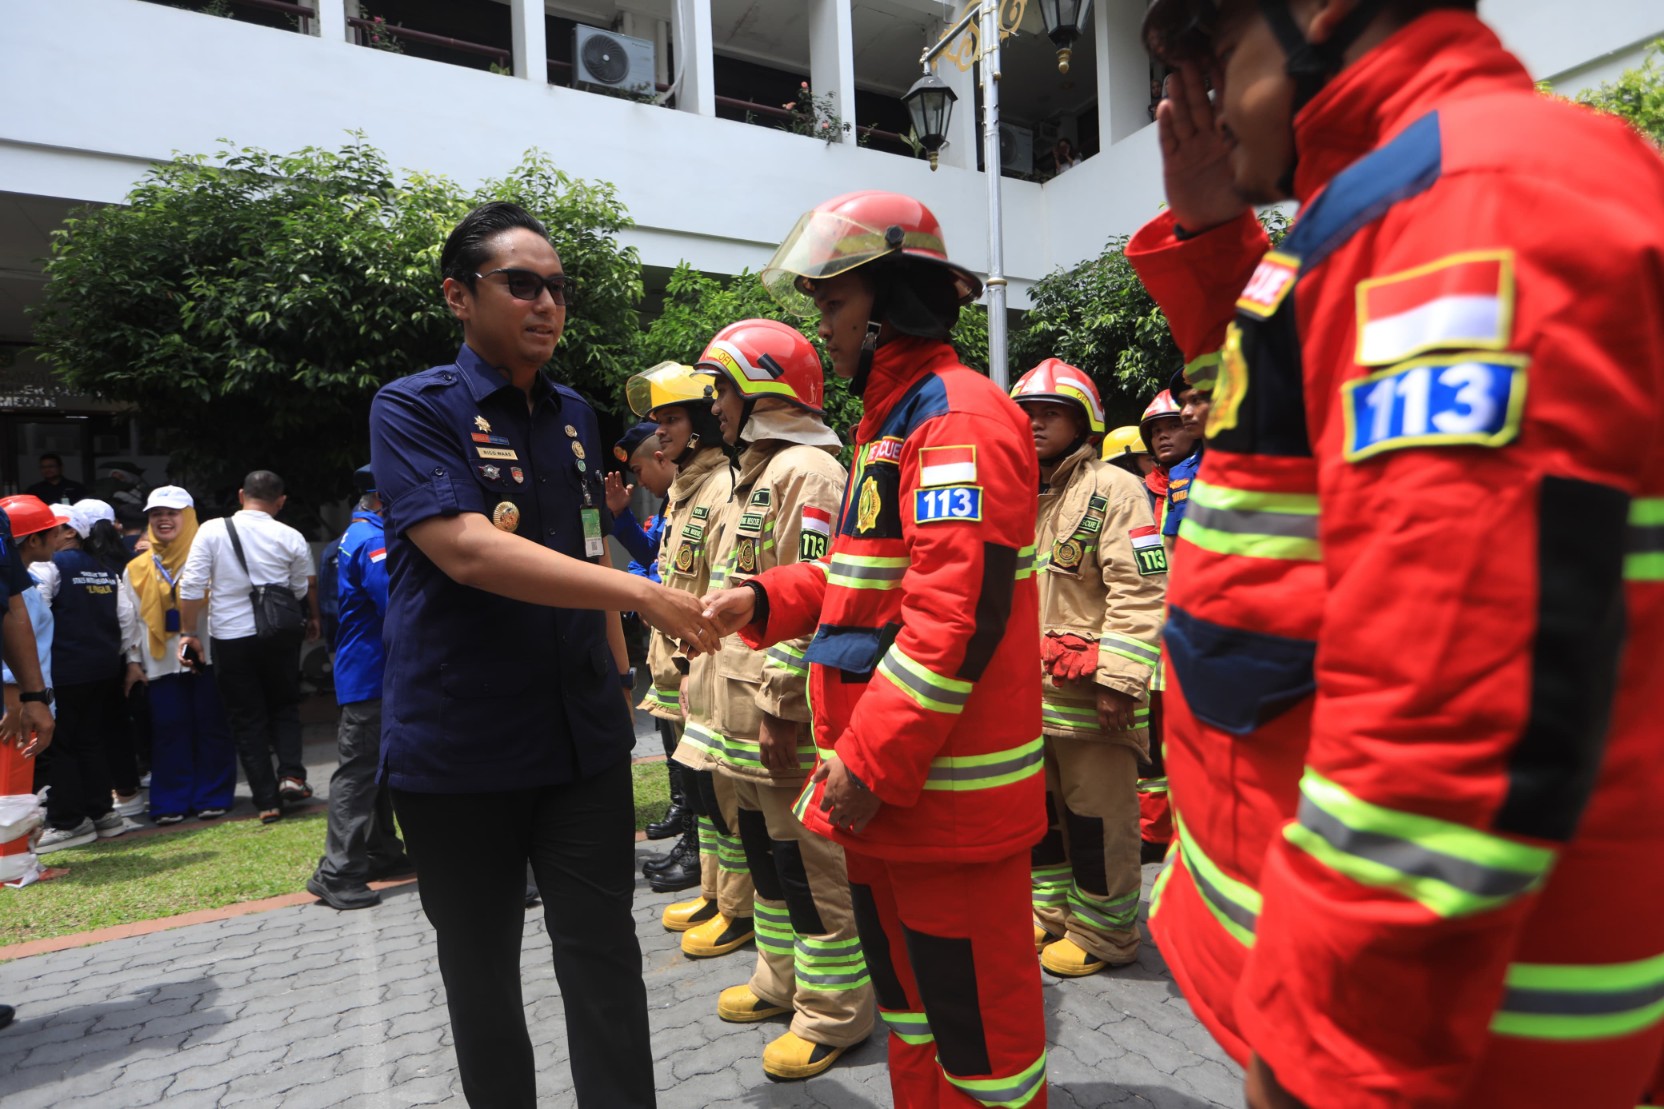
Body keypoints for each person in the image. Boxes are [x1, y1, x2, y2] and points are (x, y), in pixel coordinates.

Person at [1131, 2, 1664, 1107]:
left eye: (1212, 56)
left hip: (1444, 1040)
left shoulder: (1468, 200)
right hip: (1387, 1007)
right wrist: (1211, 236)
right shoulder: (1383, 207)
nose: (1201, 104)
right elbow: (1284, 431)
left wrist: (1330, 1049)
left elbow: (1455, 699)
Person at [704, 190, 1049, 1109]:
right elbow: (863, 583)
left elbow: (953, 620)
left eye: (833, 305)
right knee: (910, 1019)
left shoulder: (958, 420)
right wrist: (763, 596)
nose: (822, 328)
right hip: (890, 799)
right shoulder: (890, 424)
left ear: (891, 301)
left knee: (986, 1051)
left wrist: (864, 760)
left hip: (940, 804)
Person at [369, 201, 715, 1109]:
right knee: (481, 975)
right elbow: (468, 550)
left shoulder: (573, 415)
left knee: (604, 955)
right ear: (459, 295)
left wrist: (618, 665)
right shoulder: (413, 409)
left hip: (580, 742)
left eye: (557, 287)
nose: (546, 303)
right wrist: (643, 598)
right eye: (520, 283)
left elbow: (591, 542)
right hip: (460, 749)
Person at [688, 319, 871, 1079]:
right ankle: (781, 979)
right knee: (768, 859)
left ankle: (835, 1013)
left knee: (811, 866)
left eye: (724, 388)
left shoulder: (810, 472)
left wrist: (782, 706)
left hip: (777, 712)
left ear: (764, 387)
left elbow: (816, 600)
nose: (715, 406)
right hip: (736, 708)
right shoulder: (755, 470)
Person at [1011, 360, 1168, 979]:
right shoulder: (1021, 490)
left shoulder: (1118, 489)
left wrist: (1119, 682)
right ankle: (1051, 911)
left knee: (1099, 819)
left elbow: (1145, 587)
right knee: (1042, 813)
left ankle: (1106, 932)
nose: (1036, 422)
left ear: (1085, 421)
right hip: (1031, 697)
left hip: (1093, 695)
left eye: (1052, 411)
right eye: (1027, 412)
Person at [623, 362, 748, 920]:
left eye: (671, 419)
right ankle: (715, 895)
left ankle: (736, 911)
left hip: (704, 672)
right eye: (656, 421)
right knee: (700, 800)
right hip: (677, 677)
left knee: (725, 803)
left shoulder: (721, 486)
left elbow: (718, 589)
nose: (659, 432)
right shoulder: (682, 492)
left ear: (699, 422)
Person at [177, 470, 319, 824]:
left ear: (242, 495)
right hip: (278, 635)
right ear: (280, 501)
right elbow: (300, 590)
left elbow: (192, 585)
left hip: (230, 637)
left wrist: (188, 632)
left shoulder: (211, 530)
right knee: (284, 706)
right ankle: (291, 775)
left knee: (246, 717)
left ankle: (267, 801)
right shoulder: (290, 535)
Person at [306, 464, 410, 911]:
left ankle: (380, 852)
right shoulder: (374, 542)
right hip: (373, 676)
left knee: (377, 767)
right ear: (383, 499)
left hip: (367, 674)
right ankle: (338, 872)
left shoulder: (353, 535)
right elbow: (398, 607)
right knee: (359, 772)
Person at [17, 497, 139, 852]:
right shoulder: (104, 569)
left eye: (46, 529)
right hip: (103, 670)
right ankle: (102, 813)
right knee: (91, 741)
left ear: (68, 531)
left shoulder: (49, 568)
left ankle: (70, 822)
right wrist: (124, 658)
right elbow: (126, 619)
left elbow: (30, 619)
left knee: (61, 746)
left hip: (63, 672)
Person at [605, 421, 694, 871]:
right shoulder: (669, 504)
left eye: (639, 471)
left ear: (661, 458)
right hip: (667, 640)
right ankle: (687, 819)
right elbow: (654, 557)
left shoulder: (696, 496)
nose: (638, 482)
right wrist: (620, 515)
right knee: (672, 735)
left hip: (689, 642)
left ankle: (694, 840)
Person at [121, 486, 236, 826]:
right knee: (169, 730)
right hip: (161, 663)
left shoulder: (211, 557)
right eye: (156, 514)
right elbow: (129, 619)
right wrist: (132, 660)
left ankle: (213, 795)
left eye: (172, 513)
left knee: (211, 726)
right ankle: (170, 799)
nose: (164, 520)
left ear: (188, 517)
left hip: (208, 656)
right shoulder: (137, 568)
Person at [24, 453, 89, 506]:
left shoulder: (76, 488)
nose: (47, 470)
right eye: (43, 467)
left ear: (61, 467)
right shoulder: (34, 490)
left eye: (51, 466)